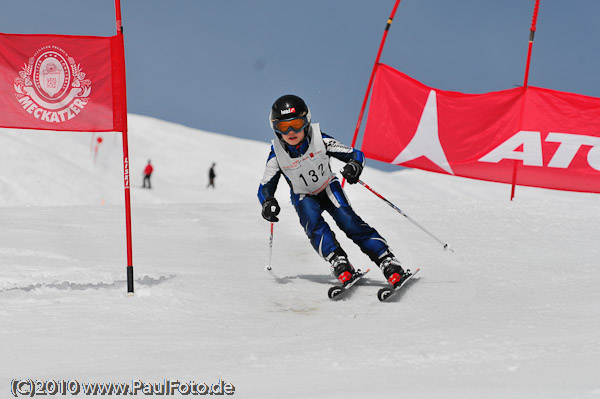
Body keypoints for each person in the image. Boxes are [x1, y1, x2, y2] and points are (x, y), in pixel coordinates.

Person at [257, 94, 407, 287]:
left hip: (328, 187)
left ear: (307, 121)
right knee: (313, 224)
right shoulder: (276, 155)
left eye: (296, 123)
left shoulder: (320, 140)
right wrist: (268, 201)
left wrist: (354, 166)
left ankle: (385, 259)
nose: (291, 131)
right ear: (275, 129)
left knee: (348, 221)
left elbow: (355, 154)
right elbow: (265, 186)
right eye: (284, 127)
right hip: (303, 195)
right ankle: (337, 259)